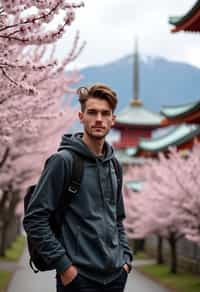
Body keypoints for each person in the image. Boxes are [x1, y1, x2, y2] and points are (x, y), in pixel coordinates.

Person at [23, 83, 133, 292]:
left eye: (105, 113)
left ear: (113, 120)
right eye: (92, 112)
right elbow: (34, 218)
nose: (99, 119)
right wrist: (64, 267)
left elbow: (117, 218)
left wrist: (126, 260)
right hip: (78, 280)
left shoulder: (114, 165)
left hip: (115, 278)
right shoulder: (62, 161)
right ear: (81, 117)